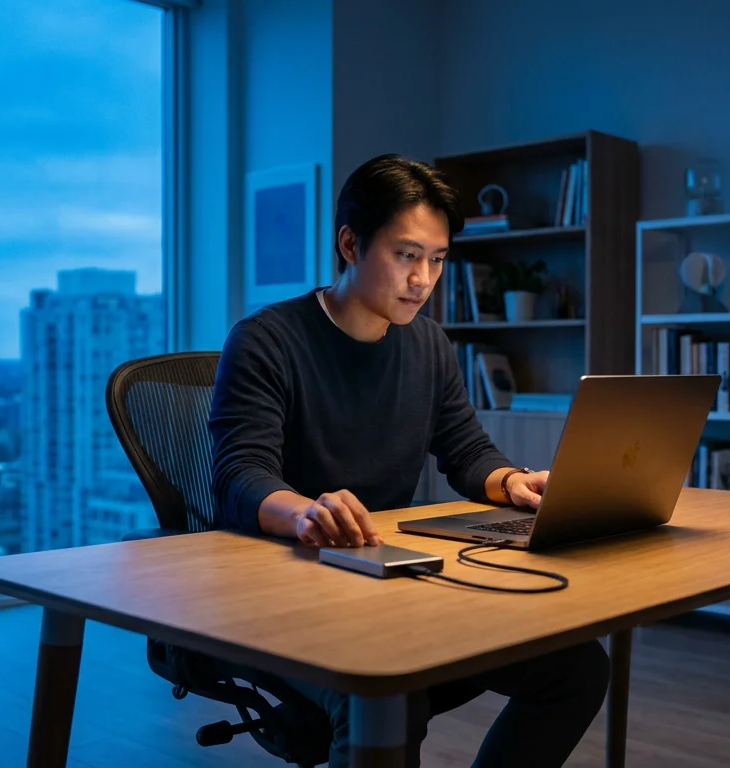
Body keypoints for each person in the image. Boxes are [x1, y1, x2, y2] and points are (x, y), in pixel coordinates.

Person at [207, 153, 610, 767]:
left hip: (387, 576)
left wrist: (511, 481)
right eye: (406, 255)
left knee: (577, 669)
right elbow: (241, 475)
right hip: (286, 589)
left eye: (438, 259)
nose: (423, 279)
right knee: (392, 698)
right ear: (350, 244)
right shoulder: (266, 339)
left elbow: (465, 449)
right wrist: (305, 513)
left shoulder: (428, 343)